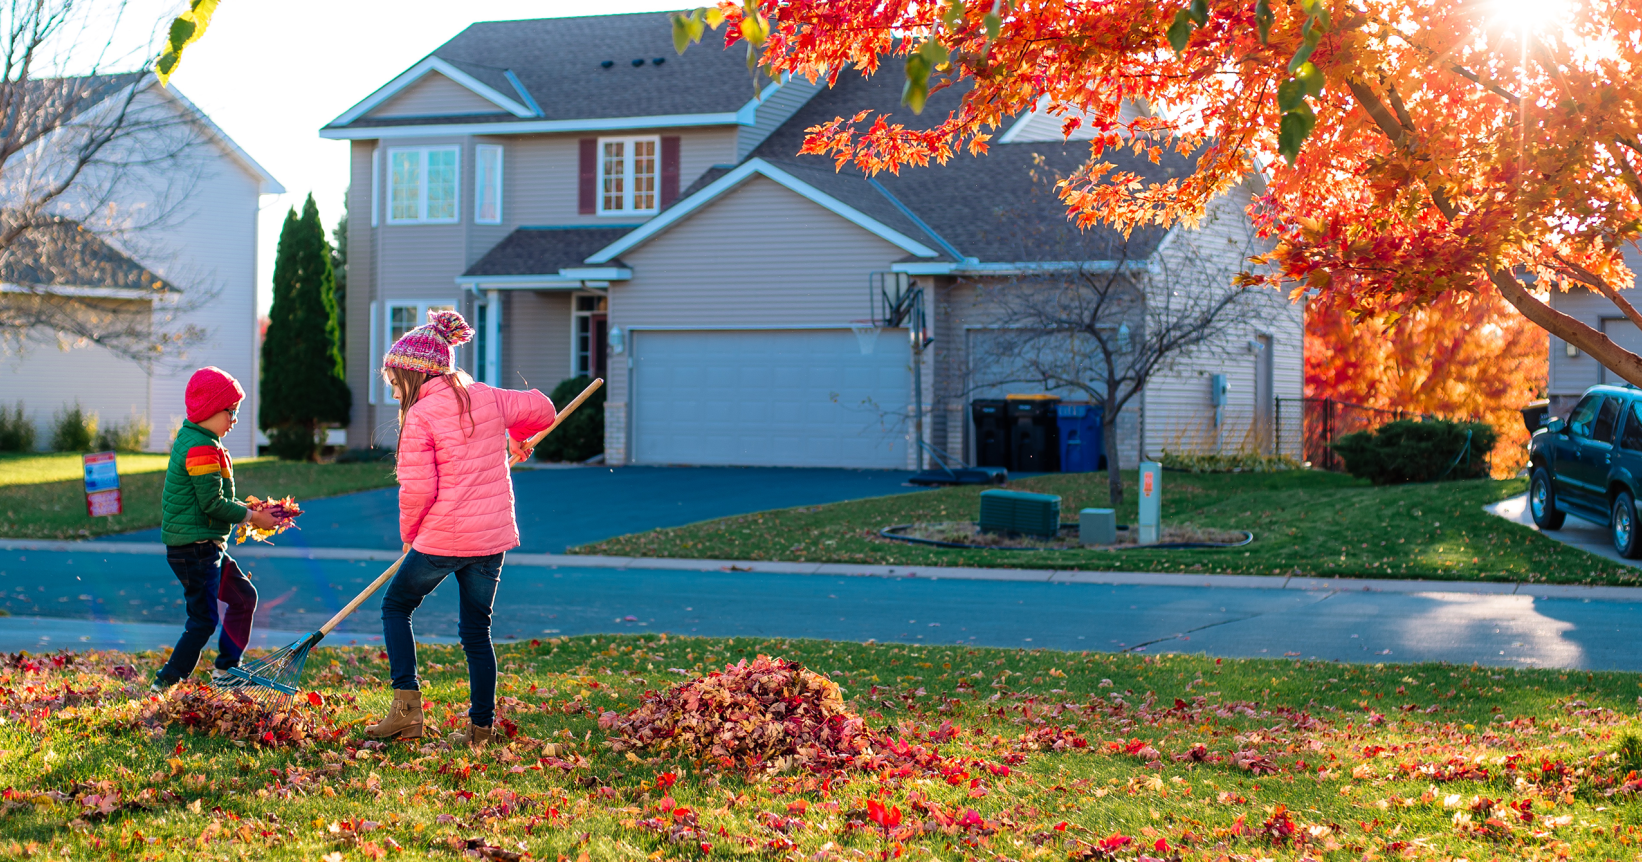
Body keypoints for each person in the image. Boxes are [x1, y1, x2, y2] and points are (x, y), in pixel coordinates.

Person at [366, 310, 555, 748]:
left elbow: (418, 490)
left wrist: (410, 537)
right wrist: (516, 432)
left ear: (414, 375)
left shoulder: (421, 415)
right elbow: (543, 409)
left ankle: (407, 713)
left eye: (395, 382)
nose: (394, 391)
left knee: (396, 606)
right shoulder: (486, 396)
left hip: (443, 537)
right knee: (476, 632)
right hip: (491, 538)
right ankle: (481, 729)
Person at [152, 366, 282, 690]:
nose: (234, 419)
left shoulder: (203, 441)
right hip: (194, 549)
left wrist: (251, 510)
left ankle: (227, 669)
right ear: (209, 409)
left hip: (204, 547)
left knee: (243, 598)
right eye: (231, 411)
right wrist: (252, 518)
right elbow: (212, 503)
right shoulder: (201, 448)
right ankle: (167, 680)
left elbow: (213, 498)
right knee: (203, 619)